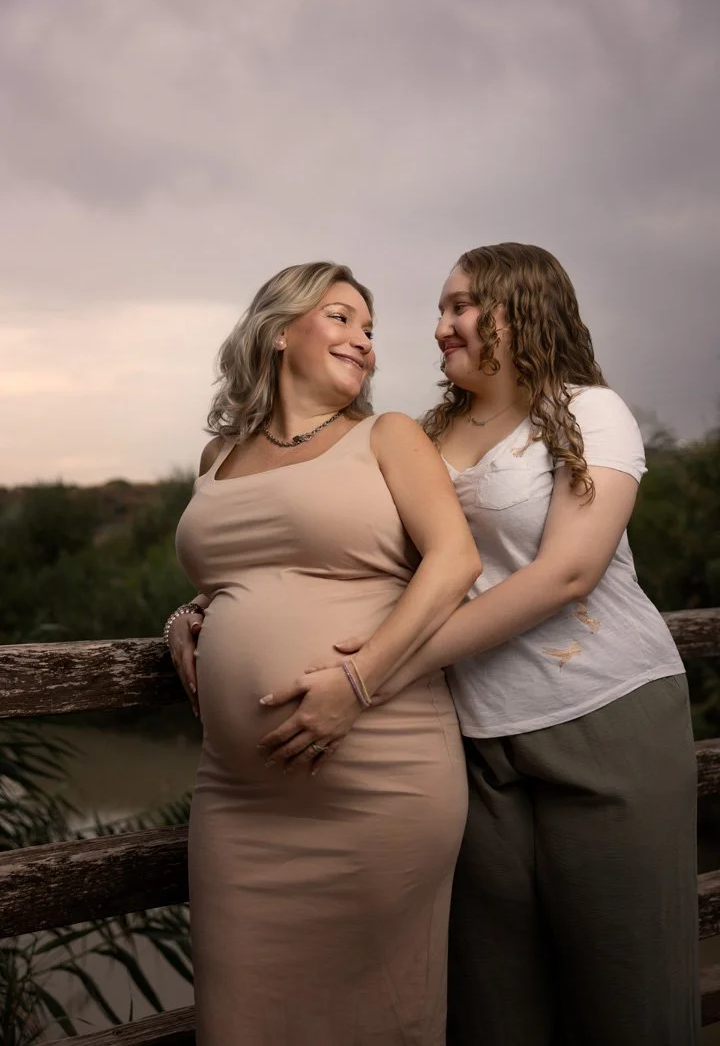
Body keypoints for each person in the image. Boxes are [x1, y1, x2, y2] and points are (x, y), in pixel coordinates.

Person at [172, 243, 698, 1045]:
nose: (439, 327)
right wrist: (204, 613)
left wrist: (368, 677)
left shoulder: (590, 410)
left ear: (519, 309)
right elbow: (335, 547)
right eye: (441, 310)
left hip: (601, 709)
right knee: (496, 997)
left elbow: (566, 574)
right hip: (477, 728)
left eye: (460, 307)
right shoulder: (426, 433)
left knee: (626, 980)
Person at [170, 260, 482, 1046]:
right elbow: (232, 574)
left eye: (370, 329)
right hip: (240, 802)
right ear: (280, 332)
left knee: (381, 1020)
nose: (364, 340)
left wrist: (358, 680)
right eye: (341, 317)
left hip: (381, 776)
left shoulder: (388, 436)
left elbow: (454, 563)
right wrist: (188, 614)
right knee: (238, 1023)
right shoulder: (216, 457)